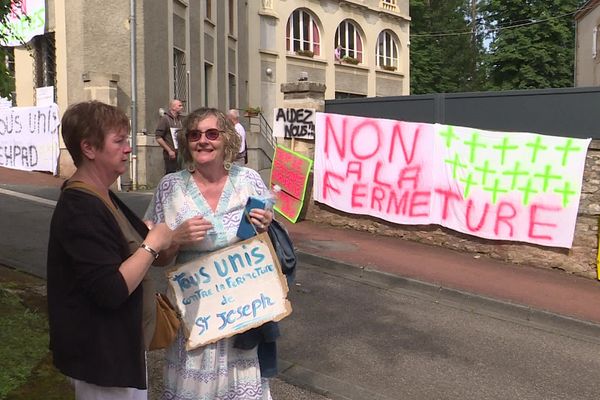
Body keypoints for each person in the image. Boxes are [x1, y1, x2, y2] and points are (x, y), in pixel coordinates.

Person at [46, 100, 210, 399]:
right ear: (89, 148)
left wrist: (172, 241)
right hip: (101, 359)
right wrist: (151, 244)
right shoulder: (80, 207)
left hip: (121, 349)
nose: (128, 148)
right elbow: (110, 290)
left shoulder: (103, 196)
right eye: (119, 141)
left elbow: (148, 256)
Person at [144, 107, 275, 399]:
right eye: (194, 134)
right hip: (194, 314)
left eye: (212, 133)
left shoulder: (249, 181)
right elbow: (158, 258)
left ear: (226, 139)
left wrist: (265, 226)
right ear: (186, 142)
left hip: (241, 311)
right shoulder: (171, 187)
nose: (203, 140)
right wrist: (176, 239)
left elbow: (267, 249)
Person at [155, 99, 184, 174]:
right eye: (179, 106)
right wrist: (169, 150)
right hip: (170, 154)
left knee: (180, 175)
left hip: (180, 153)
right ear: (173, 107)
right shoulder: (165, 119)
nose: (182, 107)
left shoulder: (180, 120)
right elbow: (158, 137)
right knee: (171, 175)